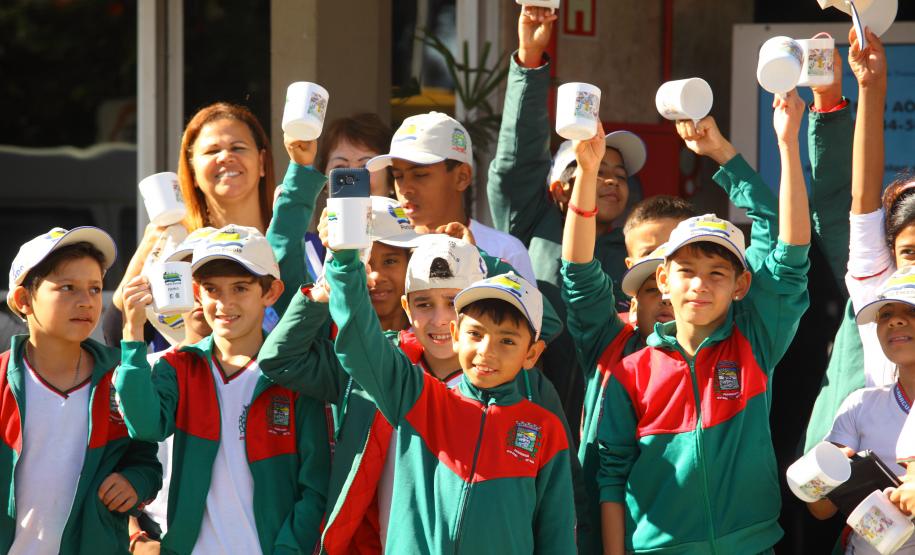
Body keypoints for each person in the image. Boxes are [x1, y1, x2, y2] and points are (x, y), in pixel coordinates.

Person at [598, 89, 811, 554]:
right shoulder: (630, 372)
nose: (701, 284)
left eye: (718, 273)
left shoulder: (755, 339)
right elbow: (611, 476)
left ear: (740, 286)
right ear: (662, 278)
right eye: (687, 271)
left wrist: (780, 145)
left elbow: (790, 248)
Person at [320, 244, 576, 552]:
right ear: (455, 334)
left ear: (532, 354)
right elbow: (359, 339)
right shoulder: (417, 397)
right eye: (476, 334)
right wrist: (346, 260)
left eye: (507, 340)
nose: (486, 351)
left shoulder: (544, 428)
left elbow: (557, 534)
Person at [114, 225, 330, 554]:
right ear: (197, 293)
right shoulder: (178, 367)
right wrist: (132, 332)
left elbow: (315, 486)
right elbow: (144, 424)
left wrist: (289, 549)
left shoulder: (294, 375)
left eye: (240, 288)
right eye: (213, 289)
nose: (225, 303)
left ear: (271, 293)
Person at [1, 227, 162, 553]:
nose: (86, 301)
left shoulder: (122, 374)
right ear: (23, 300)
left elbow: (146, 461)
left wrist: (134, 482)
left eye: (94, 288)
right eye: (67, 287)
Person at [109, 102, 323, 342]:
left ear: (262, 162)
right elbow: (118, 337)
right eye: (212, 151)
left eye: (238, 148)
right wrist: (148, 249)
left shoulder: (313, 250)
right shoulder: (175, 255)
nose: (226, 157)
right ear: (192, 172)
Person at [807, 267, 915, 554]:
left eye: (911, 311)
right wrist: (823, 475)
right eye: (885, 314)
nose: (896, 321)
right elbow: (821, 510)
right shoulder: (860, 404)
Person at [365, 113, 536, 285]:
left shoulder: (505, 251)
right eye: (398, 176)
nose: (404, 189)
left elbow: (533, 311)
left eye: (420, 175)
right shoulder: (382, 248)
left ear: (462, 177)